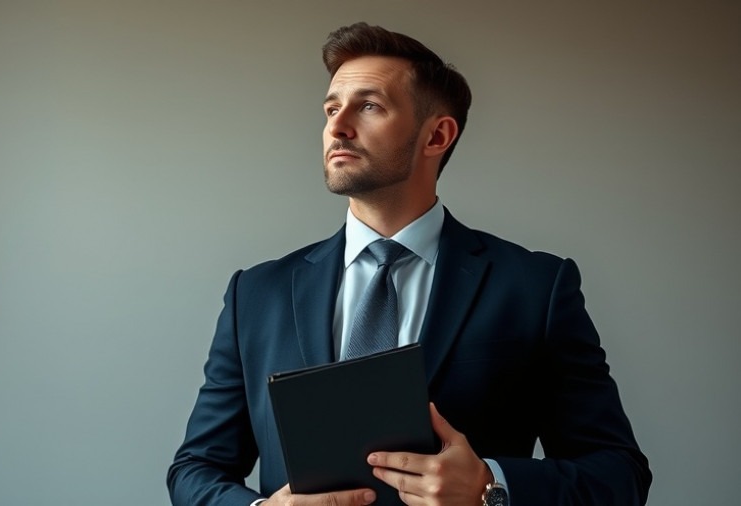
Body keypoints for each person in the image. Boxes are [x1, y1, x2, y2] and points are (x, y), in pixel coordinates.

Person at [167, 22, 652, 506]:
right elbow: (196, 469)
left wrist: (491, 487)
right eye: (331, 108)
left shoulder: (534, 288)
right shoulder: (256, 294)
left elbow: (620, 475)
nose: (337, 126)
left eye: (370, 106)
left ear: (437, 135)